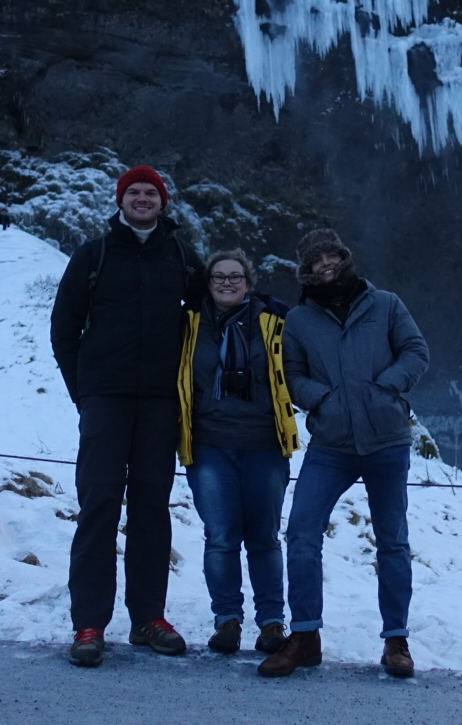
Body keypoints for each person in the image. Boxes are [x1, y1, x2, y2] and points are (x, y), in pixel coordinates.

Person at [258, 229, 429, 681]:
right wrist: (322, 399)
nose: (325, 265)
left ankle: (397, 641)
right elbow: (291, 374)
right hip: (331, 444)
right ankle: (307, 637)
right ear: (306, 270)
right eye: (315, 261)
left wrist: (386, 388)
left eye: (330, 256)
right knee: (301, 533)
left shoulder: (386, 304)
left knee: (392, 541)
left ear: (344, 257)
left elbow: (416, 350)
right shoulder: (298, 319)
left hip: (387, 441)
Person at [50, 165, 200, 668]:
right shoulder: (93, 255)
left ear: (163, 202)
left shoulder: (180, 256)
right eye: (133, 192)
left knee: (152, 508)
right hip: (106, 400)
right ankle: (89, 623)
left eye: (150, 193)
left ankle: (147, 618)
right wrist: (85, 392)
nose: (142, 199)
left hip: (160, 402)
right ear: (120, 200)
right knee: (99, 505)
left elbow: (214, 309)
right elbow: (64, 327)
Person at [177, 249, 296, 657]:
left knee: (263, 537)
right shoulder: (190, 322)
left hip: (264, 442)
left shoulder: (274, 321)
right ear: (207, 283)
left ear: (249, 281)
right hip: (210, 443)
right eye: (218, 277)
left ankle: (271, 623)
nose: (227, 283)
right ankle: (227, 619)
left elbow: (298, 368)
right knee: (222, 536)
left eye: (235, 276)